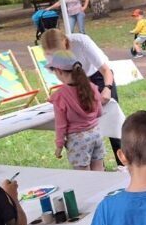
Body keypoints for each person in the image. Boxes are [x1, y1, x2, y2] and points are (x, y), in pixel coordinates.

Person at [41, 29, 123, 167]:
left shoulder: (81, 42)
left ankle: (124, 166)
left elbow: (106, 71)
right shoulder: (51, 53)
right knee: (91, 130)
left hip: (99, 76)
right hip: (75, 82)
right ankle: (99, 167)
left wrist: (107, 89)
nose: (55, 56)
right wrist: (63, 95)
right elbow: (62, 76)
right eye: (52, 54)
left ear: (65, 42)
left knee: (112, 124)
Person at [47, 50, 105, 171]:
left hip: (78, 141)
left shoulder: (60, 96)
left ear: (59, 71)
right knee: (99, 173)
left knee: (84, 178)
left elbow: (61, 125)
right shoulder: (92, 87)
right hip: (96, 134)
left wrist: (59, 146)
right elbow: (99, 112)